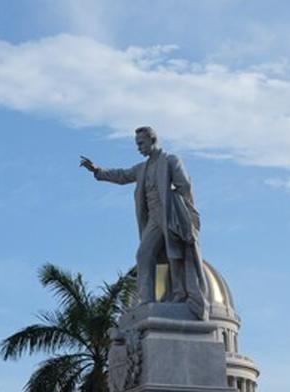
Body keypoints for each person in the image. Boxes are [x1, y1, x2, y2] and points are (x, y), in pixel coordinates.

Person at [80, 126, 208, 319]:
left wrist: (184, 214)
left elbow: (185, 186)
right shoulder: (142, 168)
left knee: (176, 256)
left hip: (171, 215)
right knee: (144, 254)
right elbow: (122, 176)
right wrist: (98, 171)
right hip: (154, 218)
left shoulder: (170, 160)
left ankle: (180, 294)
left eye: (141, 143)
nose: (138, 148)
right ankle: (146, 300)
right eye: (137, 144)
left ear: (152, 140)